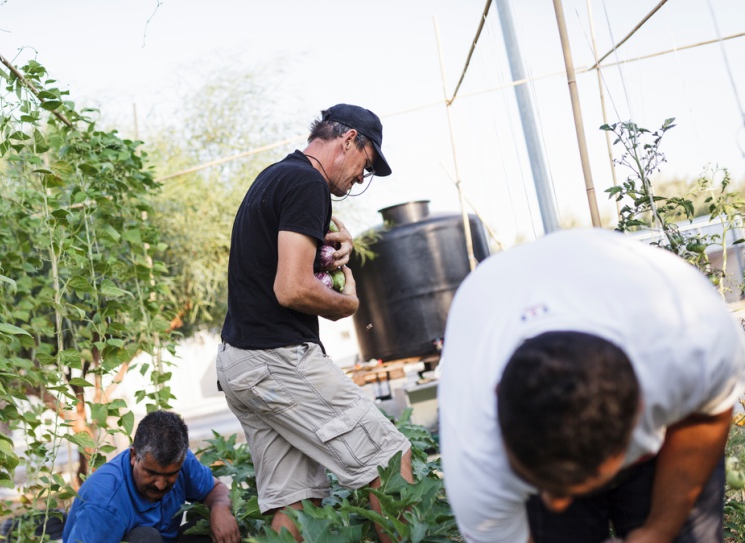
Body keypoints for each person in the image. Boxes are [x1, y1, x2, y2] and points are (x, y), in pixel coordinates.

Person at [437, 228, 745, 543]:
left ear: (640, 408)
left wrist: (657, 531)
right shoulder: (476, 456)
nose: (556, 502)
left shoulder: (693, 340)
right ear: (497, 395)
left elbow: (704, 418)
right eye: (547, 484)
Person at [216, 104, 413, 542]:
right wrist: (347, 304)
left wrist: (337, 264)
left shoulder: (277, 176)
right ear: (349, 141)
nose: (363, 177)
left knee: (297, 501)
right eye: (367, 163)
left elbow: (292, 271)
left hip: (241, 363)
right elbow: (291, 288)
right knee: (388, 457)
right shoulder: (308, 183)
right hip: (277, 359)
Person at [62, 410, 240, 543]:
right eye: (151, 473)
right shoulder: (104, 504)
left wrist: (221, 507)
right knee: (146, 538)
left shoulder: (181, 461)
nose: (161, 485)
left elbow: (216, 490)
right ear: (133, 456)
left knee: (206, 529)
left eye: (170, 475)